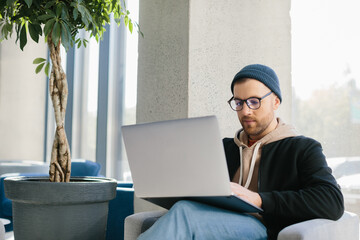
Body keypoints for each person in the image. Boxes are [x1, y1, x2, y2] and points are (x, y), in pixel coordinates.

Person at [137, 64, 344, 240]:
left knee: (184, 214)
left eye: (254, 101)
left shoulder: (302, 148)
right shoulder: (225, 148)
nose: (245, 111)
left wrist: (259, 199)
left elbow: (332, 201)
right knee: (183, 207)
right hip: (215, 218)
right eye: (238, 102)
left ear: (276, 102)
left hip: (262, 227)